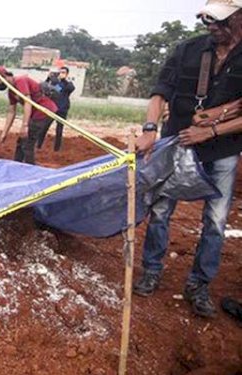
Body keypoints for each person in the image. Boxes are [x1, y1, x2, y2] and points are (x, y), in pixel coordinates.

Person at [133, 0, 242, 318]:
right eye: (208, 19)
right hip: (177, 142)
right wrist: (151, 129)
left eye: (221, 20)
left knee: (215, 221)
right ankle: (151, 270)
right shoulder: (187, 50)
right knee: (161, 208)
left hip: (222, 150)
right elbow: (159, 91)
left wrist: (211, 132)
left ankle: (199, 285)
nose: (212, 25)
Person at [0, 66, 58, 165]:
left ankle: (30, 169)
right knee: (21, 141)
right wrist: (4, 132)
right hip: (35, 114)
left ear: (4, 77)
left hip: (44, 111)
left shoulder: (20, 81)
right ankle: (17, 165)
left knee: (28, 143)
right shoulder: (11, 91)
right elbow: (11, 112)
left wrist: (25, 125)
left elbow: (28, 102)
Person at [38, 67, 76, 151]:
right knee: (44, 127)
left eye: (63, 72)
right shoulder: (54, 82)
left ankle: (57, 149)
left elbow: (71, 88)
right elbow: (44, 87)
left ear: (67, 74)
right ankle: (38, 146)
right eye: (60, 72)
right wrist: (49, 77)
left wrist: (64, 80)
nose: (61, 74)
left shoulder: (68, 84)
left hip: (62, 110)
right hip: (53, 108)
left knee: (59, 130)